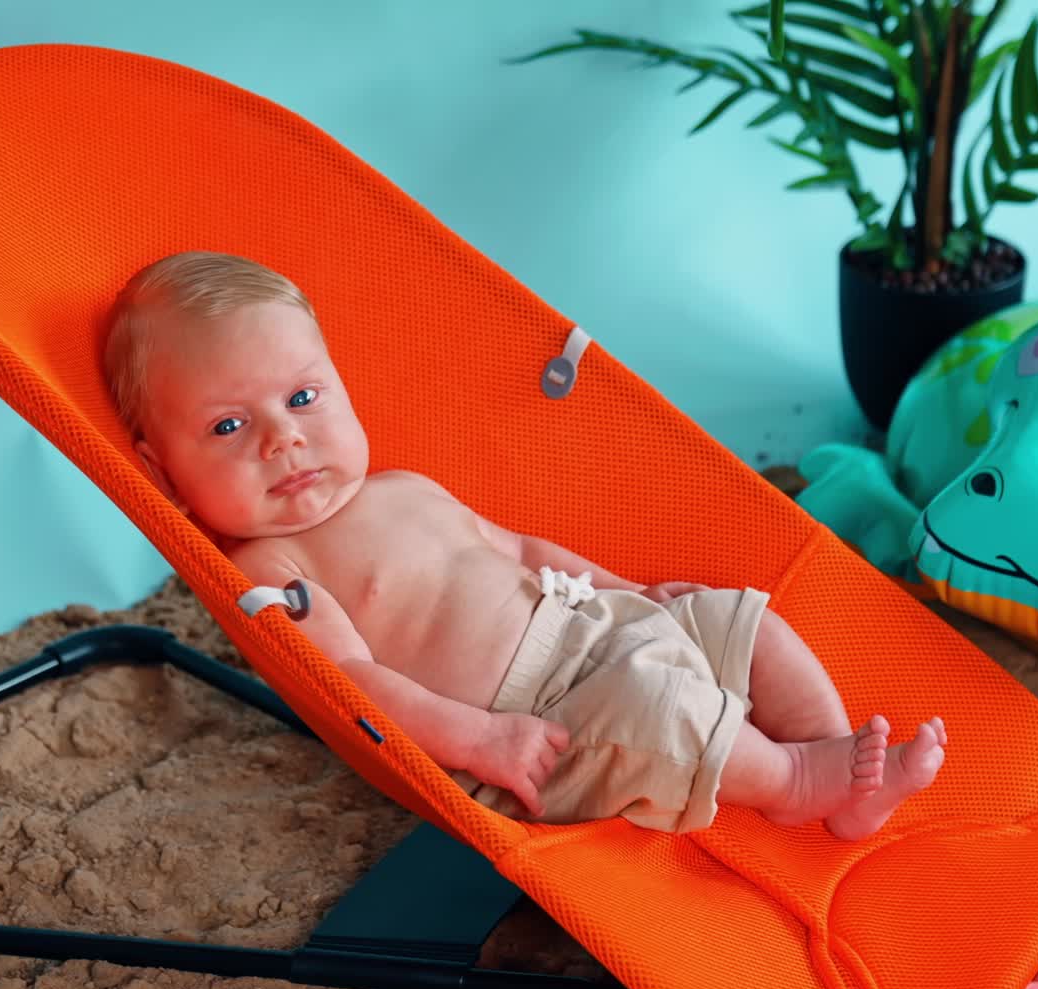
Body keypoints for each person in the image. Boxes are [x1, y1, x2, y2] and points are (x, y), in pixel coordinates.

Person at [104, 251, 946, 839]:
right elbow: (351, 685)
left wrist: (633, 592)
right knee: (664, 715)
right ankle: (796, 787)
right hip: (539, 717)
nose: (282, 440)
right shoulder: (272, 566)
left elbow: (519, 548)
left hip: (595, 623)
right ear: (161, 467)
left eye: (302, 396)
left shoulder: (401, 487)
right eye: (226, 425)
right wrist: (479, 741)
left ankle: (829, 758)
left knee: (742, 622)